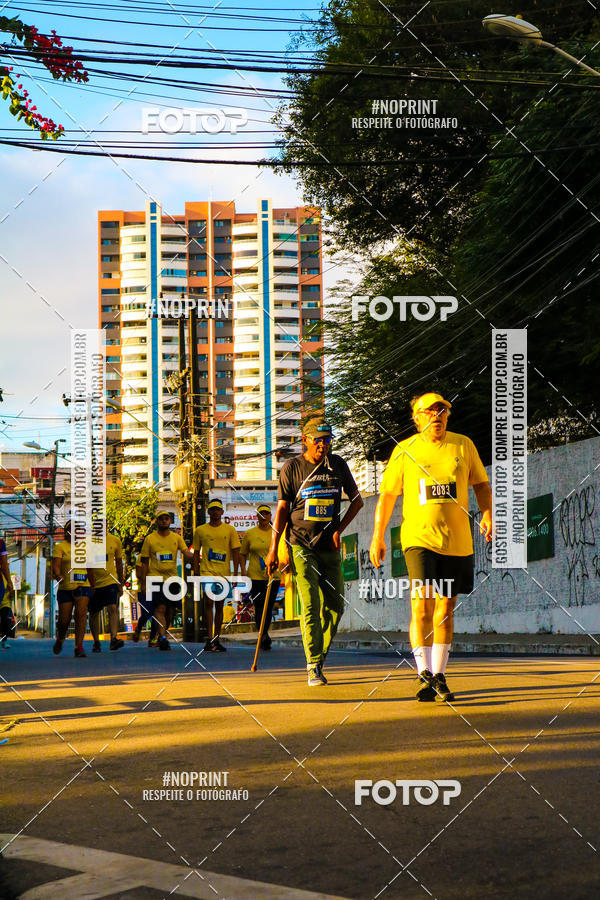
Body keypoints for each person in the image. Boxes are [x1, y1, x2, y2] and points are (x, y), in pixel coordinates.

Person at [370, 392, 493, 702]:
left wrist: (489, 513)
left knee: (445, 608)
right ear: (417, 418)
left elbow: (480, 483)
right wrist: (378, 535)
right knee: (421, 604)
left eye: (442, 410)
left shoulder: (462, 445)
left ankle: (439, 675)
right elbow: (387, 496)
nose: (436, 415)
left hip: (457, 541)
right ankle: (422, 672)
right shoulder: (404, 451)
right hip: (418, 540)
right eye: (429, 411)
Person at [266, 417, 364, 686]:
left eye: (328, 439)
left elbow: (357, 501)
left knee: (335, 606)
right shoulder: (292, 468)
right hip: (300, 544)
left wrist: (339, 529)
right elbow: (283, 510)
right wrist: (275, 549)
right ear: (305, 441)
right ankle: (313, 665)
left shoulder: (338, 465)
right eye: (318, 439)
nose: (323, 444)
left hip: (328, 545)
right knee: (310, 603)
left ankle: (318, 658)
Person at [140, 510, 193, 651]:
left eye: (166, 519)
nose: (164, 521)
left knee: (170, 612)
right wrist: (144, 583)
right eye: (161, 519)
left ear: (170, 521)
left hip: (173, 579)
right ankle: (163, 638)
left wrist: (196, 557)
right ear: (157, 522)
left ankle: (160, 634)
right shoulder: (150, 539)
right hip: (155, 578)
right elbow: (144, 562)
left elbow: (186, 552)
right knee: (160, 608)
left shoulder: (176, 538)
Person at [193, 499, 241, 652]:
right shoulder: (200, 530)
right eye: (212, 509)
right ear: (208, 512)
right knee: (208, 603)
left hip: (224, 573)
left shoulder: (230, 530)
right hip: (207, 571)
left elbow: (236, 552)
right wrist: (195, 571)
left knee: (219, 605)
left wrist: (235, 573)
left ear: (222, 512)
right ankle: (209, 637)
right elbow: (195, 552)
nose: (215, 512)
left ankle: (216, 638)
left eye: (217, 509)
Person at [52, 520, 96, 657]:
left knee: (81, 615)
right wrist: (58, 575)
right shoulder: (60, 547)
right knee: (64, 620)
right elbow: (56, 566)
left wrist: (94, 584)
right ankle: (60, 638)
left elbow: (90, 569)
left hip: (83, 585)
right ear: (66, 532)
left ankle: (79, 646)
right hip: (66, 587)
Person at [240, 505, 281, 650]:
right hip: (255, 576)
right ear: (257, 516)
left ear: (271, 516)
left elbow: (282, 551)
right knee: (259, 605)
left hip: (273, 576)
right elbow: (242, 553)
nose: (264, 516)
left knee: (268, 606)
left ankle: (265, 632)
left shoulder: (276, 533)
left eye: (266, 514)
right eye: (261, 514)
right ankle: (262, 634)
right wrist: (243, 569)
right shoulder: (250, 534)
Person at [88, 524, 125, 652]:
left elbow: (119, 562)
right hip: (93, 583)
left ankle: (113, 639)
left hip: (110, 581)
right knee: (94, 613)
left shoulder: (115, 540)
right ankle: (96, 642)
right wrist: (90, 584)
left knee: (113, 608)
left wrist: (120, 582)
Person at [132, 551, 159, 646]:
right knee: (147, 613)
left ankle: (152, 639)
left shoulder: (158, 556)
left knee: (156, 613)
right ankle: (139, 628)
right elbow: (138, 574)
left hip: (156, 588)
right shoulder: (141, 557)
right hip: (144, 589)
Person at [0, 537, 15, 648]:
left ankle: (4, 639)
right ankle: (4, 640)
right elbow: (4, 565)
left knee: (5, 614)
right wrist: (10, 583)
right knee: (5, 614)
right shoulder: (0, 543)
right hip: (1, 583)